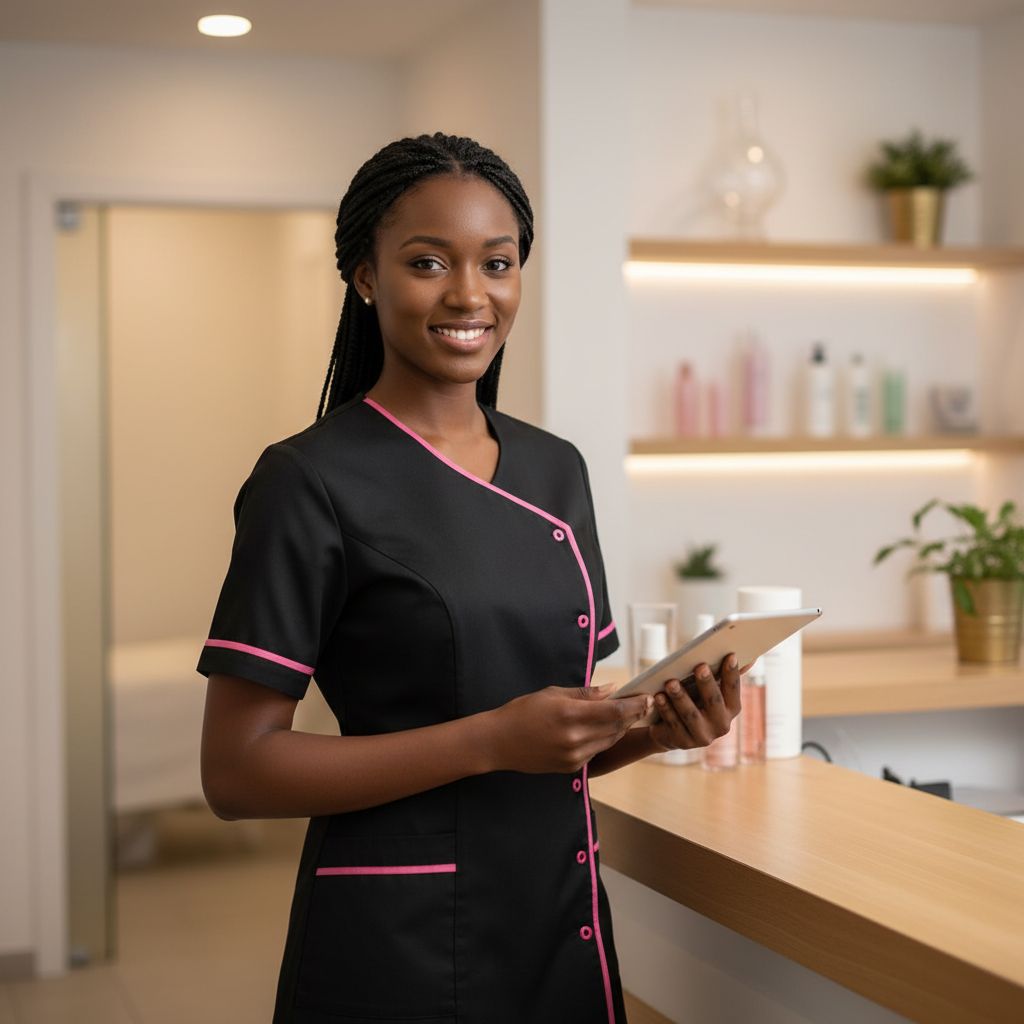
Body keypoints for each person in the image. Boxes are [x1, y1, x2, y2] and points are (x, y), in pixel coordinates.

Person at [198, 132, 741, 1024]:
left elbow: (555, 745)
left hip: (557, 916)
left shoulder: (555, 469)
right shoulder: (310, 481)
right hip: (397, 940)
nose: (469, 295)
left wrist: (657, 728)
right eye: (426, 262)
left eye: (498, 263)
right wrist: (488, 740)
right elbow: (238, 772)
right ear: (365, 276)